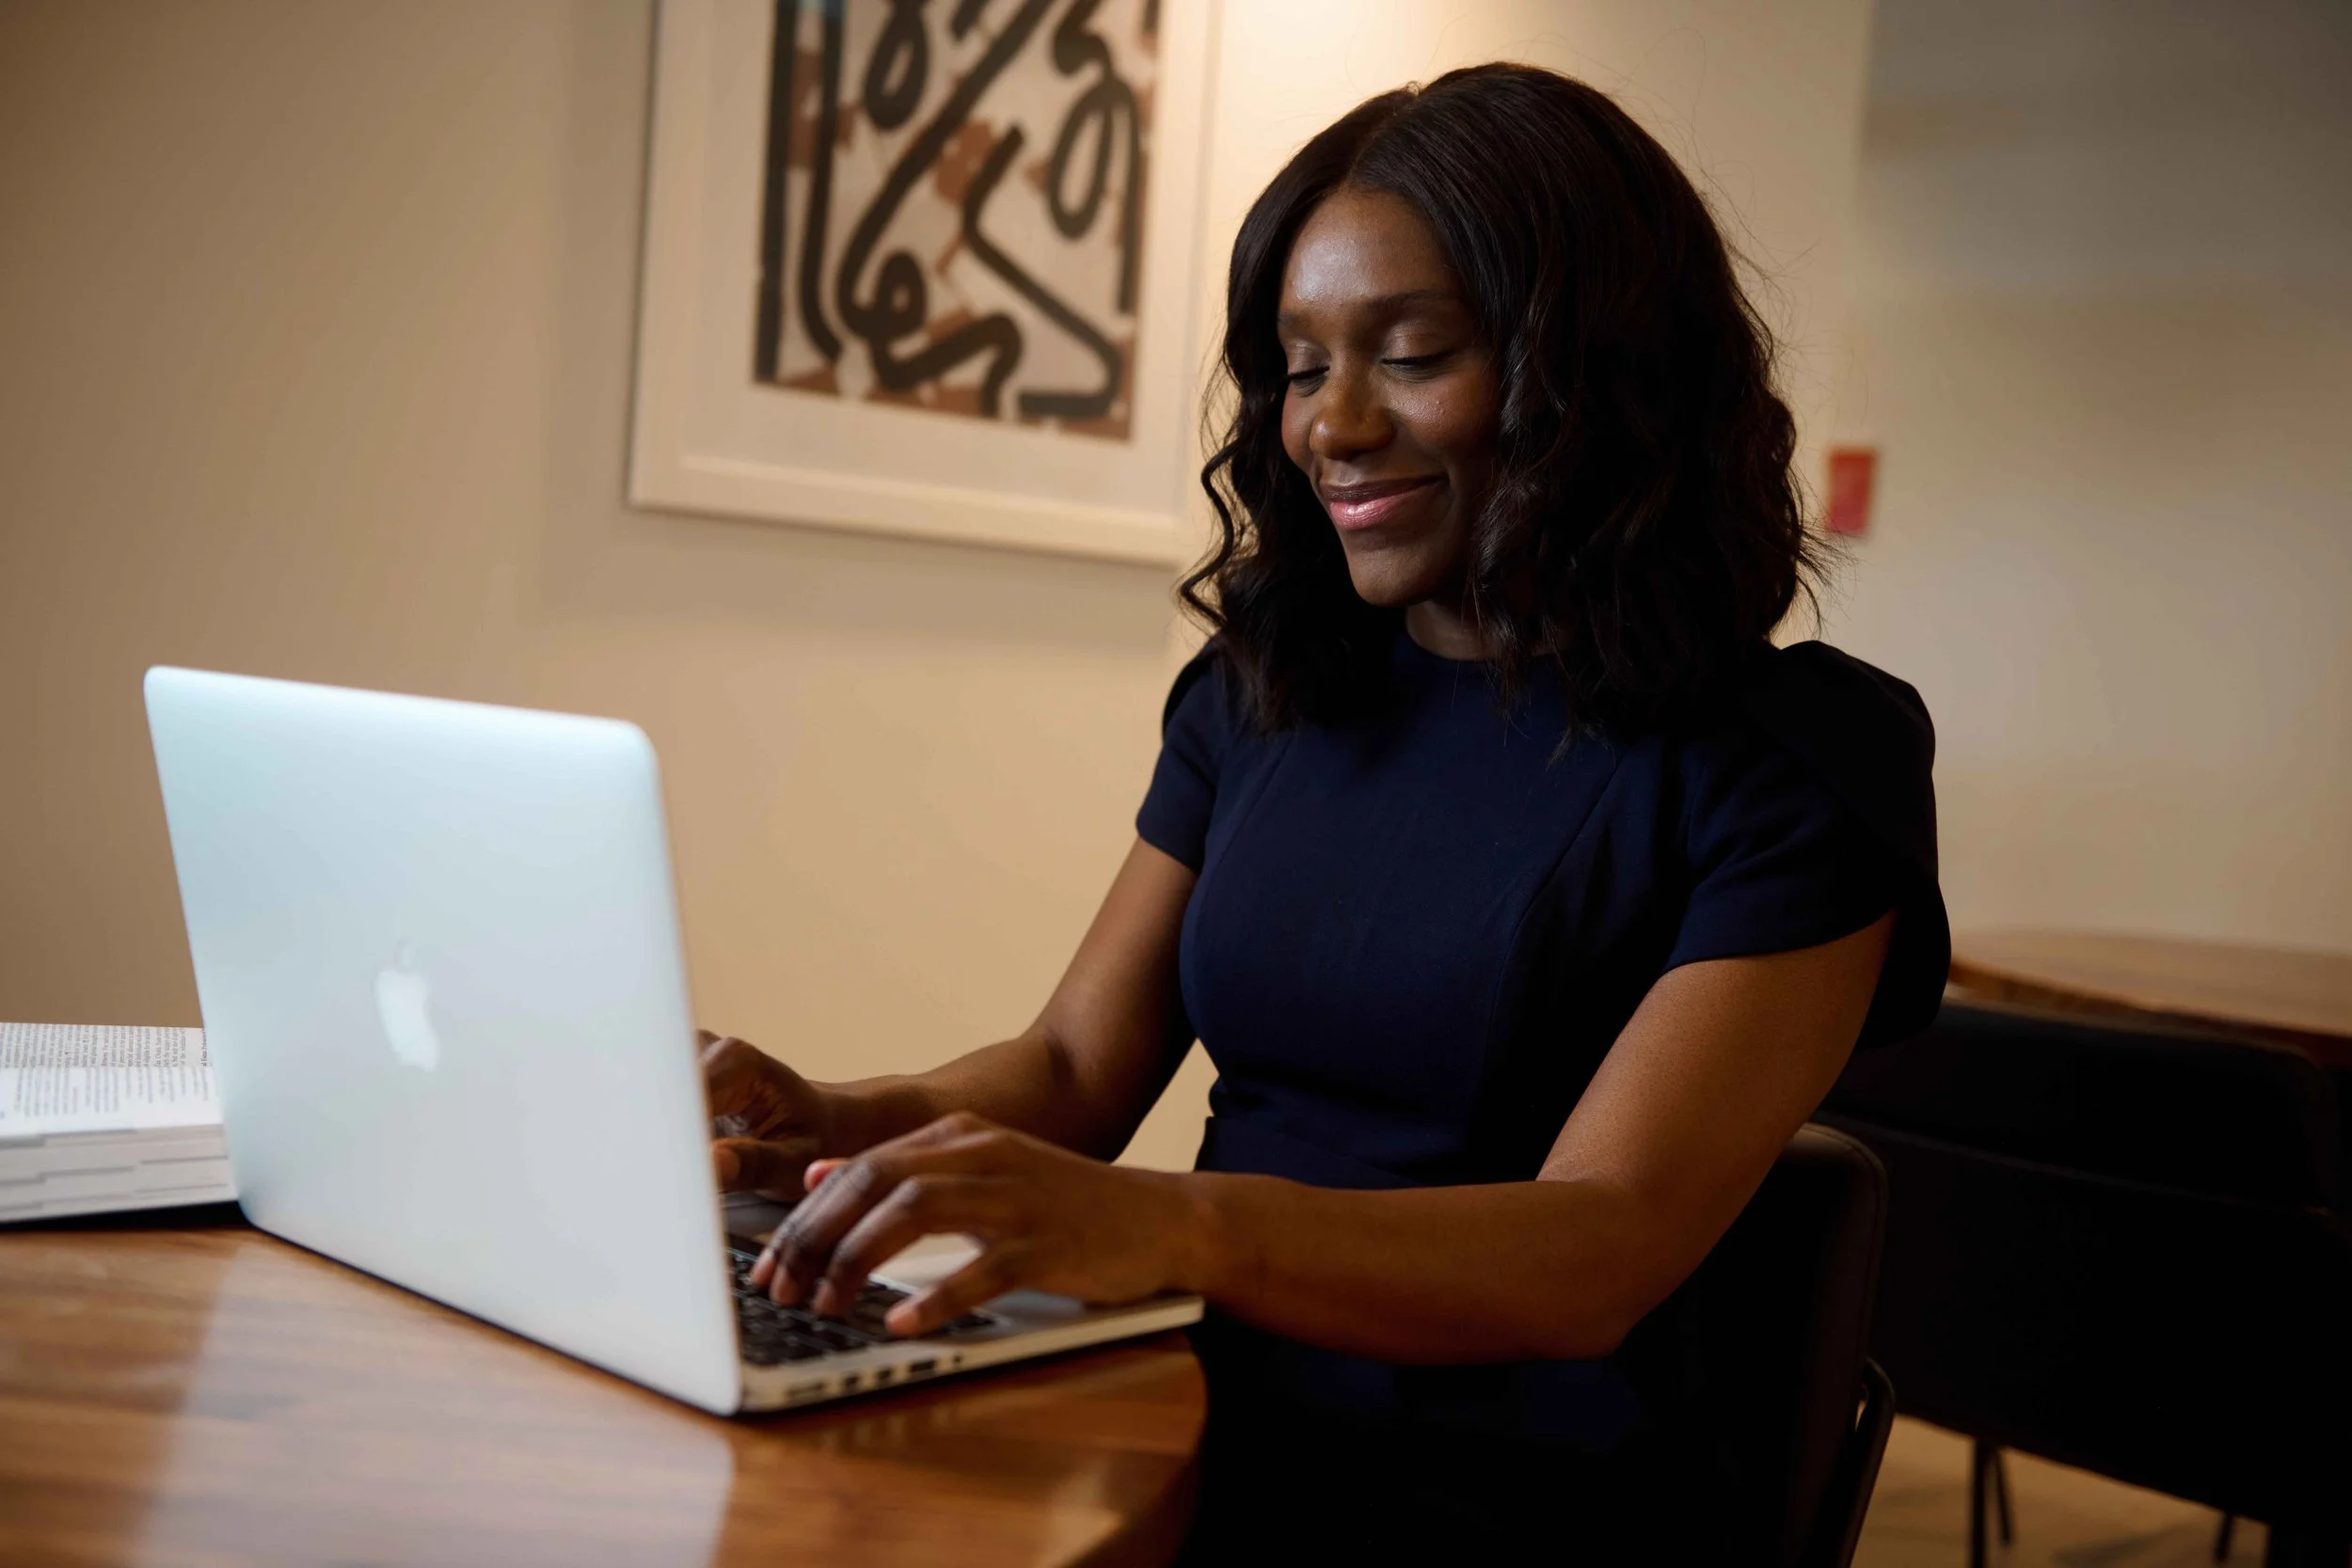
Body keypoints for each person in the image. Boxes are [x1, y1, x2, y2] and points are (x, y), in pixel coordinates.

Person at [702, 62, 1946, 1560]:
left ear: (1603, 378)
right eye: (1299, 366)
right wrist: (831, 1129)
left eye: (1412, 355)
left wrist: (1171, 1227)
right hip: (1193, 1415)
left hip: (1526, 1505)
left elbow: (1599, 1244)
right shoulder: (1265, 692)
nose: (1331, 424)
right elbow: (1073, 1063)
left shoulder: (1797, 761)